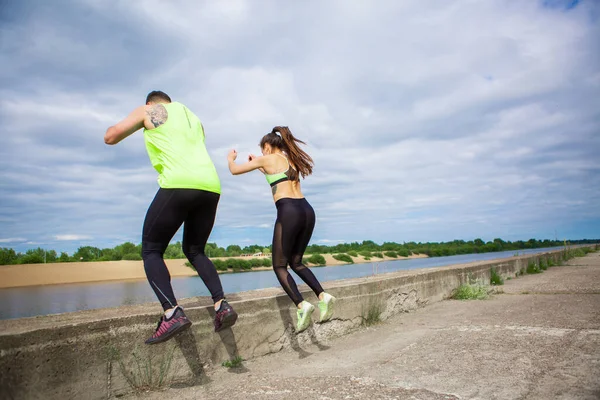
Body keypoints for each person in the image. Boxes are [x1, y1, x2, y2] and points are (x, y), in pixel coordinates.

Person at [104, 90, 237, 344]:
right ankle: (222, 305)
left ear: (150, 103)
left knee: (151, 249)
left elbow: (110, 137)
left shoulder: (150, 111)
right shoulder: (193, 118)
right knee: (196, 250)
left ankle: (171, 312)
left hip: (179, 183)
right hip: (211, 187)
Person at [227, 126, 336, 332]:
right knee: (296, 262)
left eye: (263, 149)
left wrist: (231, 158)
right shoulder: (290, 160)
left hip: (288, 211)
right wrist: (258, 165)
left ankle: (302, 305)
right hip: (306, 210)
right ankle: (323, 295)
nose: (263, 153)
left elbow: (234, 170)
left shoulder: (267, 158)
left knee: (279, 266)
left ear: (267, 146)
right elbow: (275, 176)